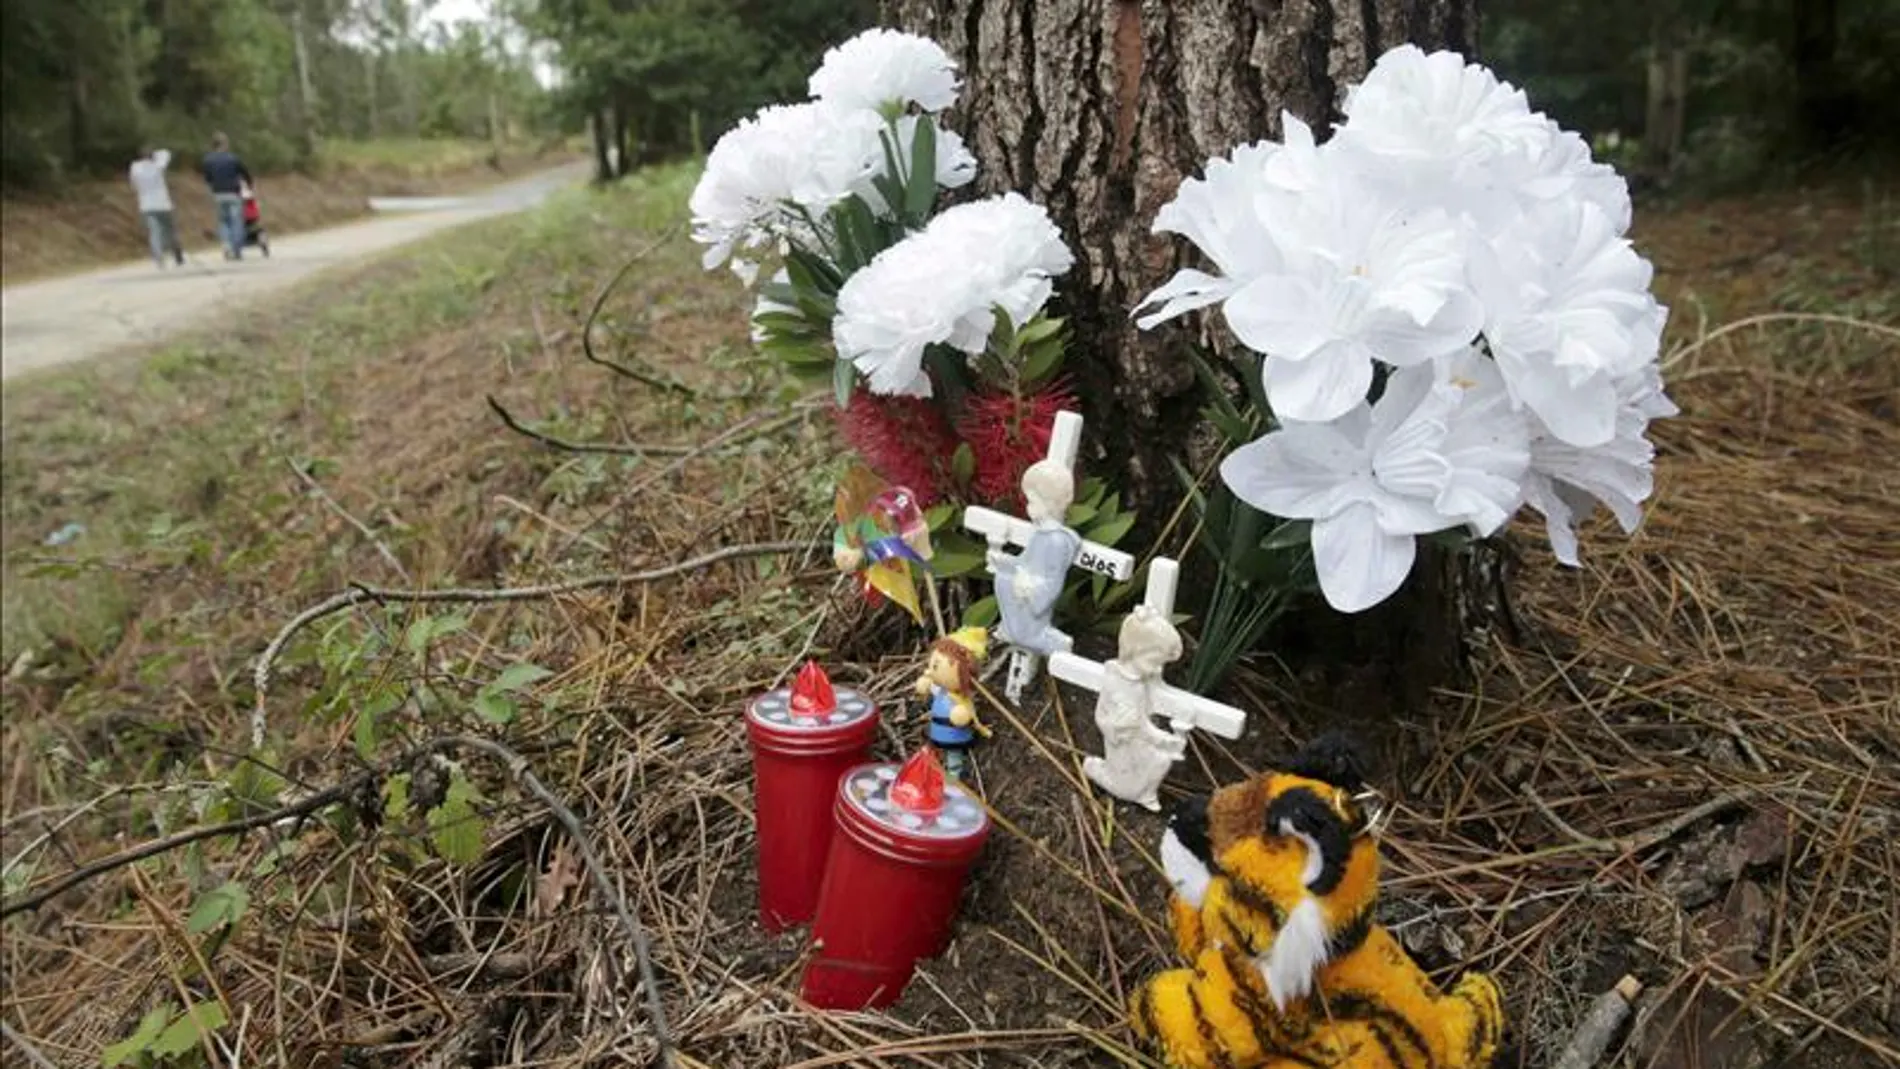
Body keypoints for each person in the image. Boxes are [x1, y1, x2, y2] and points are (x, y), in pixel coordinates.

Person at [128, 146, 184, 269]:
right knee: (170, 231)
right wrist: (155, 155)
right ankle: (177, 253)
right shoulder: (158, 164)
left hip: (146, 204)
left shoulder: (135, 167)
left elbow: (133, 185)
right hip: (163, 203)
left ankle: (159, 258)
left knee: (154, 232)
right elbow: (166, 152)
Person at [201, 133, 254, 261]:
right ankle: (237, 249)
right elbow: (245, 173)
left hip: (218, 194)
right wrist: (249, 185)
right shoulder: (233, 158)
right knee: (236, 221)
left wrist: (212, 189)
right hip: (233, 193)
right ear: (224, 144)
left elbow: (207, 179)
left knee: (223, 221)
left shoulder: (208, 160)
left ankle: (226, 245)